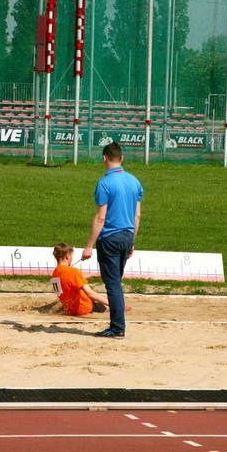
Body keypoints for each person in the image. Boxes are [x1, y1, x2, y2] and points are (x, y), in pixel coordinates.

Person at [81, 142, 143, 339]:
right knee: (116, 282)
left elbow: (101, 217)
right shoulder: (135, 182)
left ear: (104, 158)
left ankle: (117, 327)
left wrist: (89, 245)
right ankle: (117, 325)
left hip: (110, 238)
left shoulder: (104, 183)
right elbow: (137, 215)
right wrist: (132, 241)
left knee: (113, 284)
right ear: (122, 158)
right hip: (127, 236)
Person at [50, 243, 111, 316]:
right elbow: (90, 293)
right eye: (71, 256)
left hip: (69, 309)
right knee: (113, 302)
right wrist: (114, 305)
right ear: (67, 256)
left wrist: (91, 275)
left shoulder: (54, 274)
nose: (71, 259)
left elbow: (69, 280)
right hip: (84, 308)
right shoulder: (73, 272)